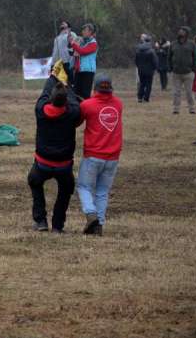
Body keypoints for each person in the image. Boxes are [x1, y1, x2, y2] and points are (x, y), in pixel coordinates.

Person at [28, 74, 83, 232]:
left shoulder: (40, 110)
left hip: (42, 164)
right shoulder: (72, 112)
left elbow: (45, 93)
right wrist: (66, 85)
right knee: (66, 189)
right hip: (63, 166)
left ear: (50, 99)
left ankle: (40, 221)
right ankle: (57, 226)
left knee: (34, 181)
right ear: (66, 101)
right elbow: (73, 101)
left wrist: (52, 77)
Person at [77, 73, 123, 235]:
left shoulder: (87, 105)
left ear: (94, 88)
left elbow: (78, 121)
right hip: (113, 157)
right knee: (102, 191)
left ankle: (91, 213)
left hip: (93, 155)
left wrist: (80, 104)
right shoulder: (118, 104)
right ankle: (99, 225)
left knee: (84, 187)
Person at [170, 27, 196, 115]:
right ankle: (176, 109)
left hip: (188, 73)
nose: (180, 32)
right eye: (180, 30)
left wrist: (194, 70)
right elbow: (169, 57)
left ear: (186, 33)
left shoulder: (192, 44)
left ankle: (192, 108)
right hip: (176, 73)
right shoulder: (173, 44)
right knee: (176, 92)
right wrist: (171, 68)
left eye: (183, 31)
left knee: (189, 92)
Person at [70, 24, 99, 100]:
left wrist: (73, 44)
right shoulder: (82, 42)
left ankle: (86, 110)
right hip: (79, 70)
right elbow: (75, 53)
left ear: (90, 32)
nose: (83, 32)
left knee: (85, 93)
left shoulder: (93, 43)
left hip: (88, 71)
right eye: (83, 30)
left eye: (85, 30)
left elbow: (83, 51)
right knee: (76, 93)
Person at [133, 34, 158, 104]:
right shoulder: (151, 51)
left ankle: (140, 97)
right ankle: (146, 98)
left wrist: (139, 67)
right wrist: (155, 68)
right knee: (148, 84)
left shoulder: (138, 50)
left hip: (141, 70)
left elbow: (136, 61)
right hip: (149, 70)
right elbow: (155, 61)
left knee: (142, 84)